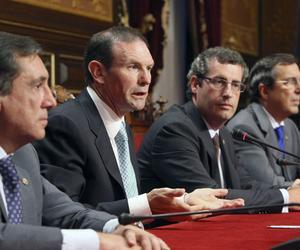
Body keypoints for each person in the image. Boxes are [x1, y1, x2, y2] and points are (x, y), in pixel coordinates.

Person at [33, 26, 243, 220]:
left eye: (149, 68)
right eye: (133, 67)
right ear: (98, 72)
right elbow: (62, 215)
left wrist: (183, 201)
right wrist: (144, 205)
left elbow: (131, 202)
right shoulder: (65, 124)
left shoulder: (122, 126)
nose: (146, 79)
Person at [0, 31, 169, 250]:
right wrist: (97, 241)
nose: (51, 101)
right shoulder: (64, 123)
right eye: (37, 86)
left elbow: (66, 211)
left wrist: (115, 227)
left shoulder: (24, 154)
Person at [137, 47, 300, 211]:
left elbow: (244, 183)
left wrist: (289, 191)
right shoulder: (174, 130)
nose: (228, 93)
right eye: (219, 82)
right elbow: (211, 198)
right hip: (164, 233)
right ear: (195, 85)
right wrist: (286, 198)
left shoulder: (223, 133)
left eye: (236, 84)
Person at [227, 53, 300, 189]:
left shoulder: (290, 127)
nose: (298, 89)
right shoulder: (244, 127)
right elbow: (265, 185)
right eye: (289, 82)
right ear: (265, 91)